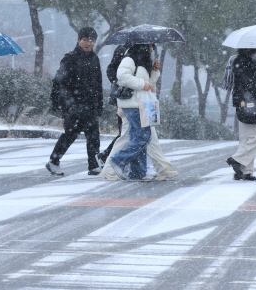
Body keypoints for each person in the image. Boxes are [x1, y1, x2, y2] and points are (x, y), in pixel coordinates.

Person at [46, 27, 103, 176]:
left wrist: (99, 104)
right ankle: (53, 161)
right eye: (85, 40)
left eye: (91, 40)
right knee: (70, 134)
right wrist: (68, 105)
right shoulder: (70, 58)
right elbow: (60, 83)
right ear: (79, 40)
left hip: (90, 104)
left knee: (93, 136)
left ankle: (94, 165)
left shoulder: (94, 58)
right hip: (75, 104)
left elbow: (98, 83)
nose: (88, 44)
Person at [108, 44, 160, 180]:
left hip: (145, 103)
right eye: (149, 47)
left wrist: (154, 71)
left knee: (137, 136)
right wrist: (142, 84)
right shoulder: (130, 59)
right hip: (133, 103)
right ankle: (118, 160)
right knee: (144, 136)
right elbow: (122, 76)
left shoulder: (143, 62)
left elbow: (149, 83)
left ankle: (138, 172)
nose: (151, 50)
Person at [224, 48, 256, 181]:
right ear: (250, 52)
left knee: (246, 137)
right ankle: (236, 160)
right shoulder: (246, 64)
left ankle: (245, 171)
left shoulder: (241, 63)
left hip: (243, 104)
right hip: (250, 105)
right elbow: (252, 85)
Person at [99, 107, 178, 181]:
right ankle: (111, 168)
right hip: (135, 104)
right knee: (132, 138)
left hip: (146, 103)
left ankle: (159, 168)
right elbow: (125, 92)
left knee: (149, 136)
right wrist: (120, 105)